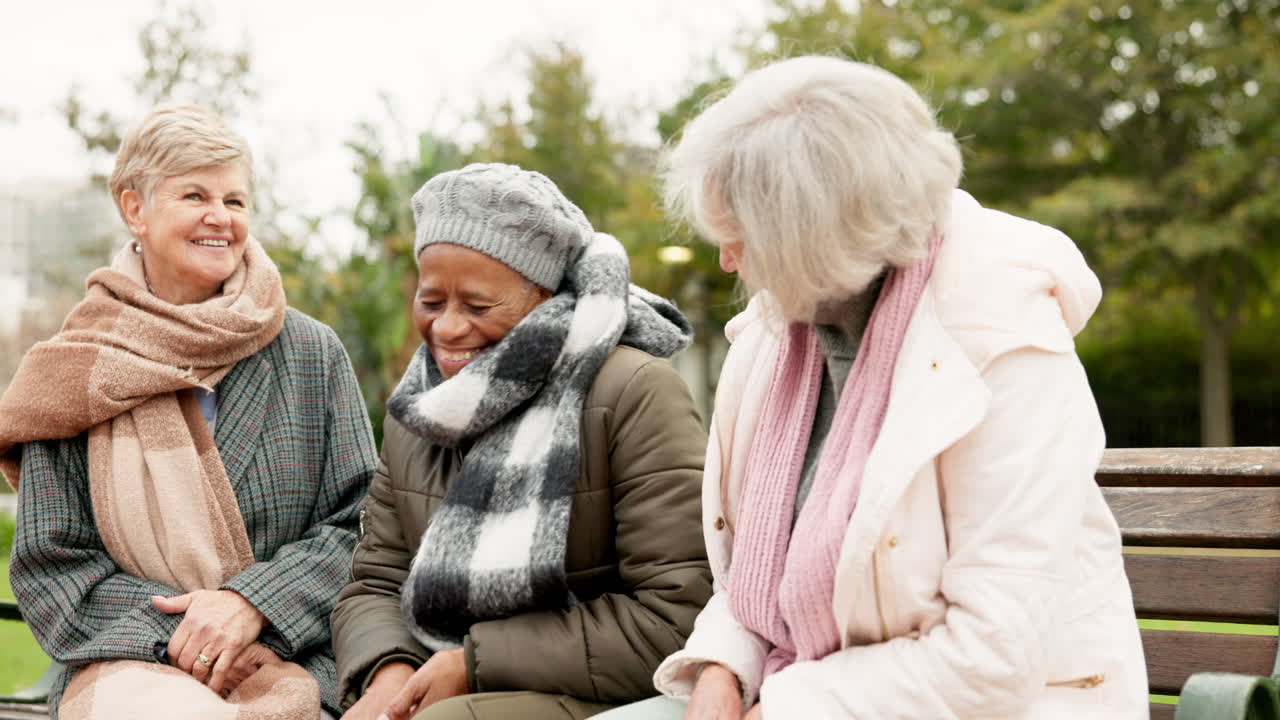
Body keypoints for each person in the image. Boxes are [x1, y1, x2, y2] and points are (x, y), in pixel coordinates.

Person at [595, 56, 1149, 720]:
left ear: (816, 235)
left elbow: (990, 662)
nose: (726, 261)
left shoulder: (1006, 346)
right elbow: (752, 582)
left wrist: (781, 708)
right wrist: (721, 669)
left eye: (743, 236)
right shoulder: (769, 341)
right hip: (808, 688)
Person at [0, 105, 376, 720]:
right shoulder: (73, 370)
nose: (219, 217)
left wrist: (254, 605)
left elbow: (361, 528)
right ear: (135, 209)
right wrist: (193, 634)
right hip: (127, 664)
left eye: (235, 200)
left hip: (293, 658)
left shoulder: (312, 354)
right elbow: (52, 565)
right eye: (194, 194)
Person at [331, 162, 712, 720]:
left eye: (479, 306)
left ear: (546, 297)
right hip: (447, 678)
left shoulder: (635, 391)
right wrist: (389, 673)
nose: (448, 329)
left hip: (611, 693)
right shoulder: (418, 411)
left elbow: (675, 617)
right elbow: (376, 584)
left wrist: (475, 662)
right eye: (431, 302)